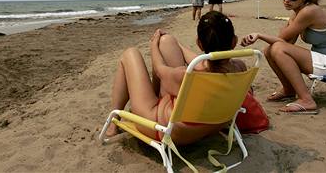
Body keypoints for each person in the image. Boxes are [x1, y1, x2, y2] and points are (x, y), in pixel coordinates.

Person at [104, 11, 249, 145]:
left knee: (130, 54)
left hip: (167, 131)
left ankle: (113, 124)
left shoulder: (186, 76)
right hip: (208, 128)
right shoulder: (240, 69)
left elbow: (159, 68)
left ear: (199, 43)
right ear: (234, 41)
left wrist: (154, 44)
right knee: (167, 41)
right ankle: (169, 41)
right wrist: (176, 43)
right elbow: (207, 64)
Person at [241, 0, 326, 114]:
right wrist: (290, 20)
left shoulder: (309, 11)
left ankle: (306, 100)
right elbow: (285, 41)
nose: (286, 0)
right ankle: (289, 90)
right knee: (270, 50)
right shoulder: (299, 12)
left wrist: (259, 35)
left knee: (278, 49)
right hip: (324, 61)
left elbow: (281, 43)